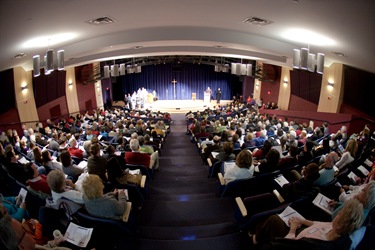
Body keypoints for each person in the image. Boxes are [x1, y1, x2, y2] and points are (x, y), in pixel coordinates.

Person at [250, 199, 363, 245]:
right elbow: (315, 223)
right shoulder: (334, 227)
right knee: (274, 219)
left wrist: (293, 229)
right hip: (299, 229)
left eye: (340, 213)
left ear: (341, 220)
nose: (337, 214)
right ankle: (260, 237)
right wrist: (302, 220)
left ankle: (257, 239)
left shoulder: (320, 243)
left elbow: (292, 246)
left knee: (273, 220)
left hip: (291, 238)